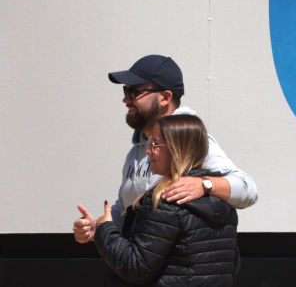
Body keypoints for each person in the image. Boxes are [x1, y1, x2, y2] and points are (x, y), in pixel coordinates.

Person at [74, 55, 258, 242]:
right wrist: (97, 227)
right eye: (125, 90)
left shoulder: (189, 140)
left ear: (165, 97)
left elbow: (247, 188)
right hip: (135, 264)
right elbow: (125, 209)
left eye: (134, 92)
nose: (125, 99)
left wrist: (204, 184)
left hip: (174, 269)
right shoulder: (136, 150)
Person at [86, 114, 239, 285]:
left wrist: (105, 228)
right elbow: (232, 264)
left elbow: (136, 267)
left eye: (156, 144)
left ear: (176, 148)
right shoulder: (222, 198)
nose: (149, 151)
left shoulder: (165, 200)